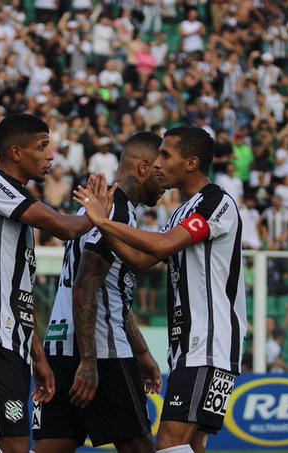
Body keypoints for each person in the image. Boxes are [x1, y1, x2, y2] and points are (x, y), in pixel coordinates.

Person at [73, 127, 247, 453]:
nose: (158, 163)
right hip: (191, 347)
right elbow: (140, 261)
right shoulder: (182, 212)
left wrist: (105, 222)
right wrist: (105, 223)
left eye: (166, 155)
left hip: (209, 343)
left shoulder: (216, 202)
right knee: (192, 445)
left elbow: (165, 243)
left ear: (192, 163)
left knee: (167, 444)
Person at [0, 114, 110, 453]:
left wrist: (37, 355)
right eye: (42, 147)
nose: (51, 155)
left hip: (9, 339)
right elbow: (65, 228)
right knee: (15, 445)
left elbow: (20, 294)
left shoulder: (15, 206)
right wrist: (96, 214)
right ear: (16, 152)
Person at [33, 132, 165, 453]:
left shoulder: (96, 207)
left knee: (56, 444)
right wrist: (90, 361)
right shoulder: (115, 211)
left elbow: (112, 294)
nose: (166, 182)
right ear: (144, 167)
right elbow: (86, 285)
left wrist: (143, 353)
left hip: (62, 348)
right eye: (160, 172)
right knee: (139, 445)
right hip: (101, 352)